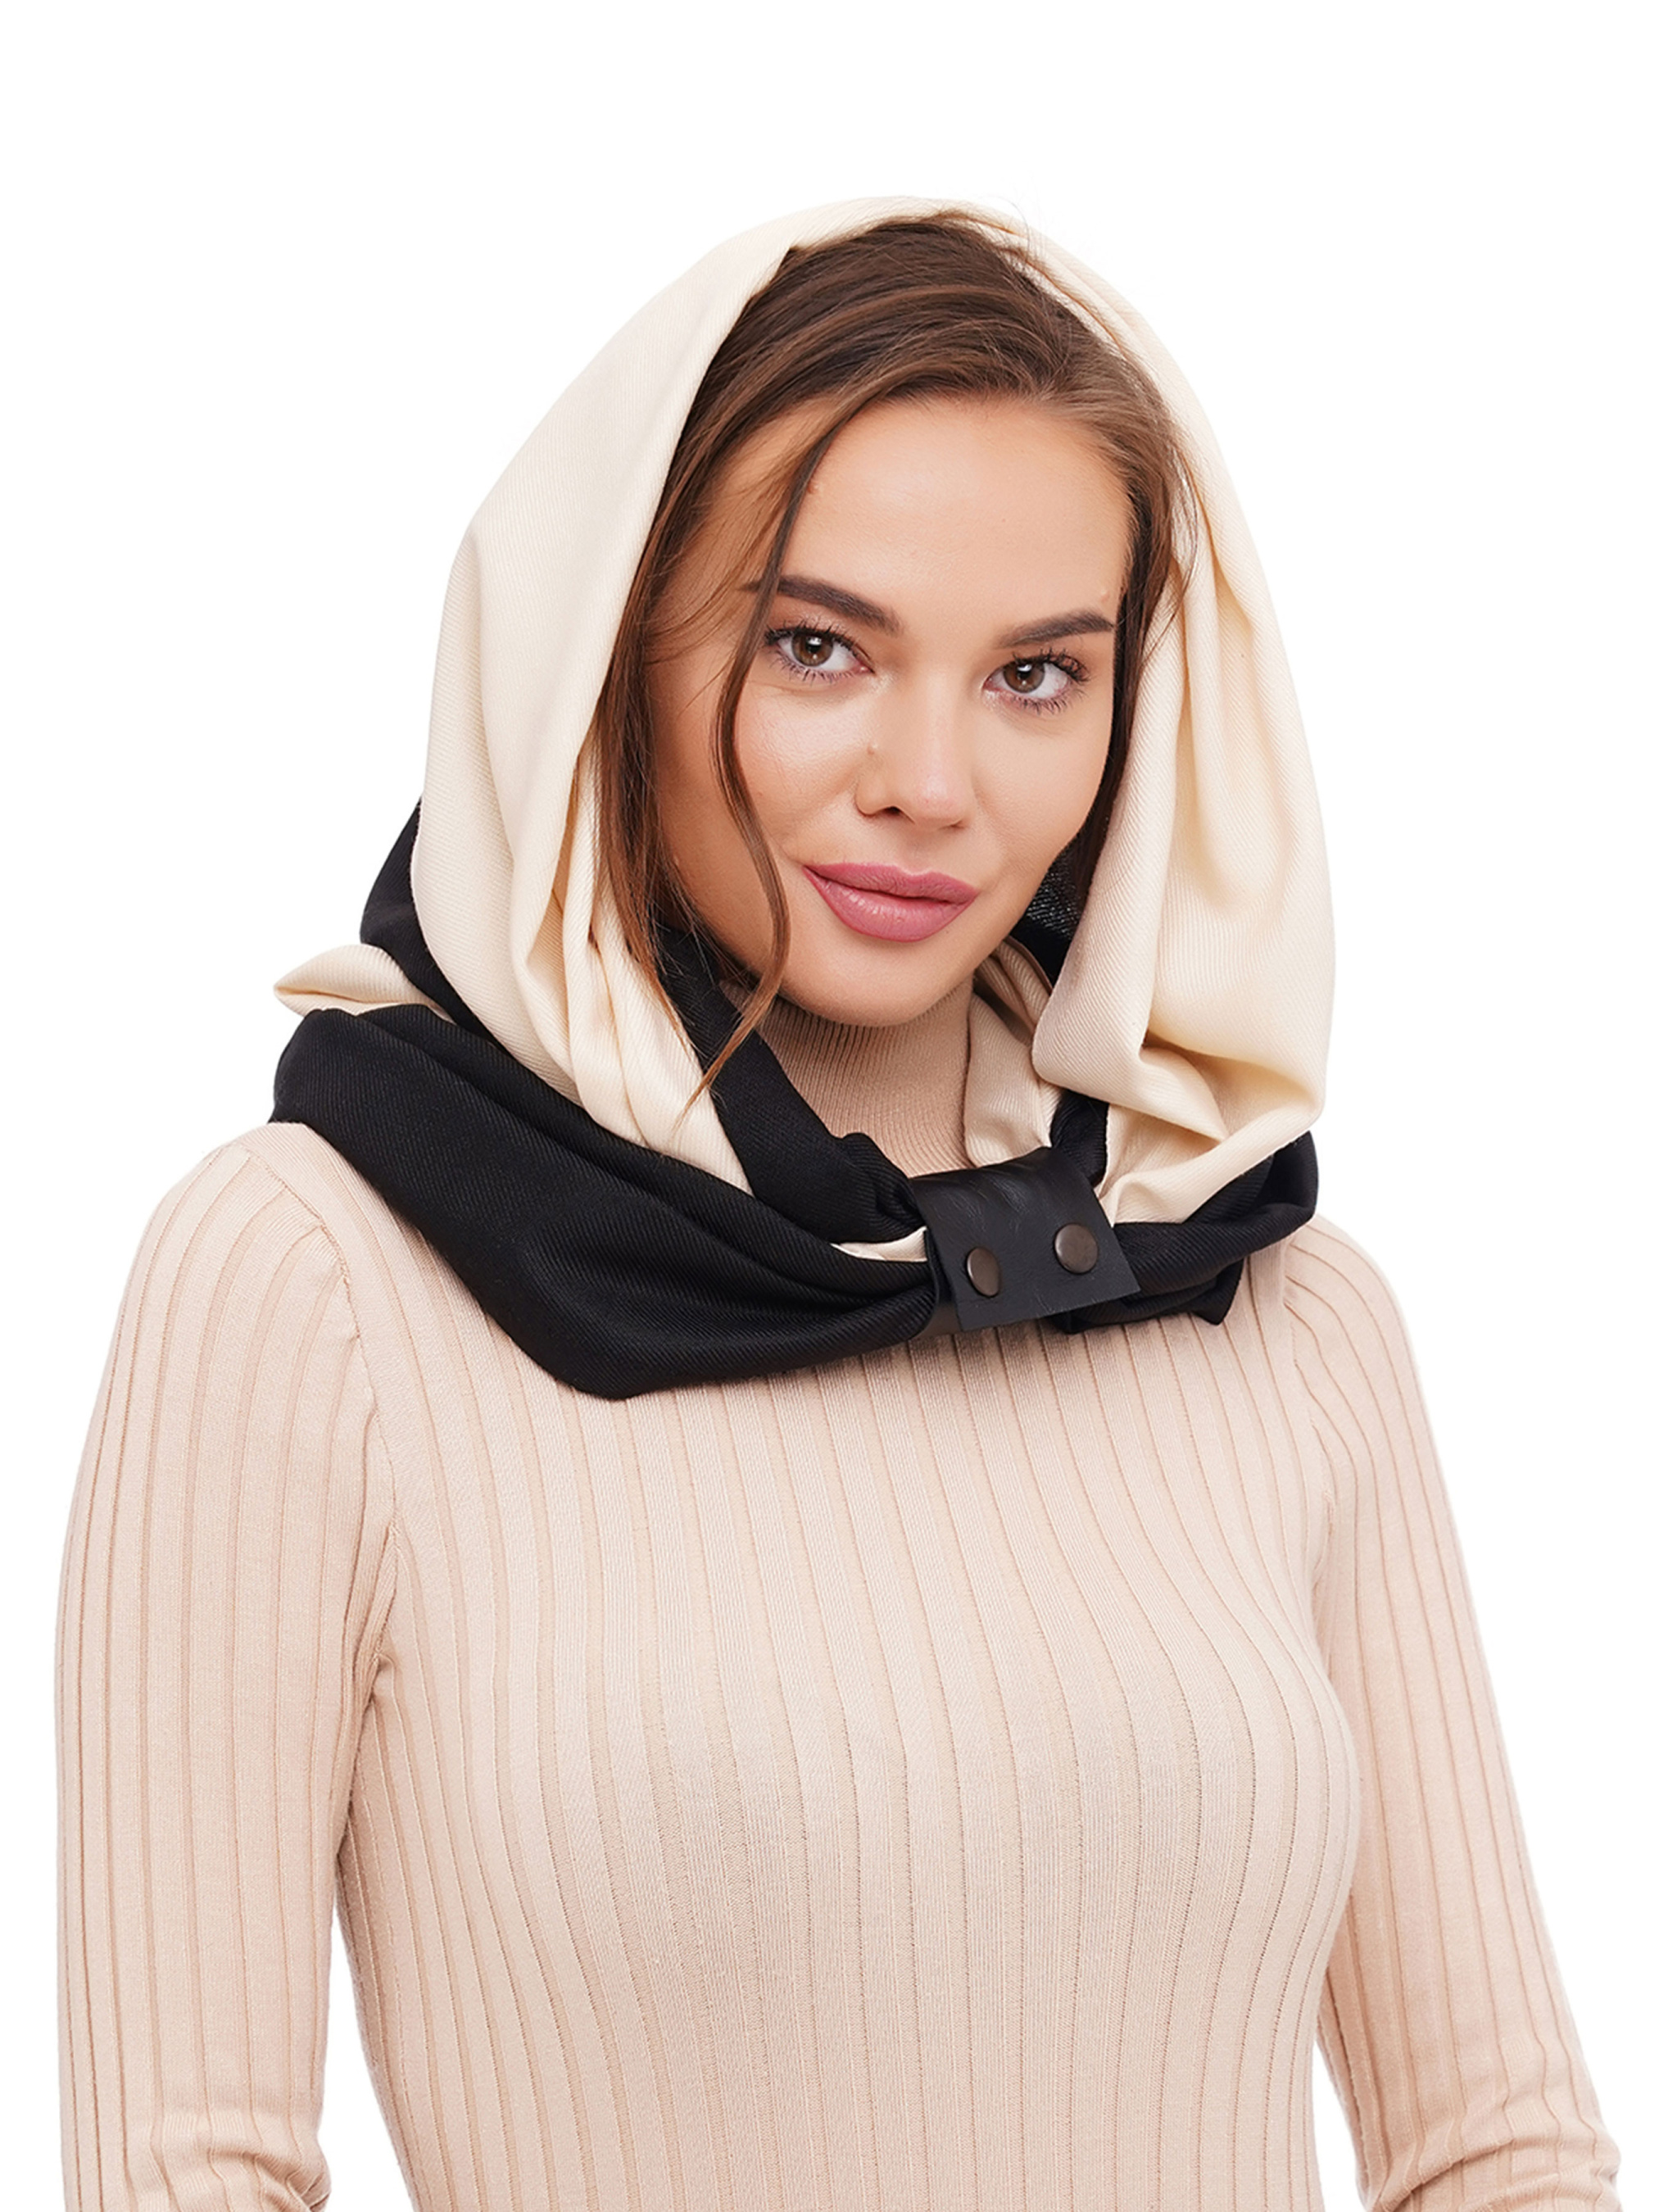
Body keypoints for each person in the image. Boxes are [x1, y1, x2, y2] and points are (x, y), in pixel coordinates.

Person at [57, 199, 1621, 2211]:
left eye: (1035, 675)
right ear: (611, 650)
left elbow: (1492, 2149)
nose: (929, 782)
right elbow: (185, 2166)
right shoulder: (314, 1281)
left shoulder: (1272, 1304)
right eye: (817, 647)